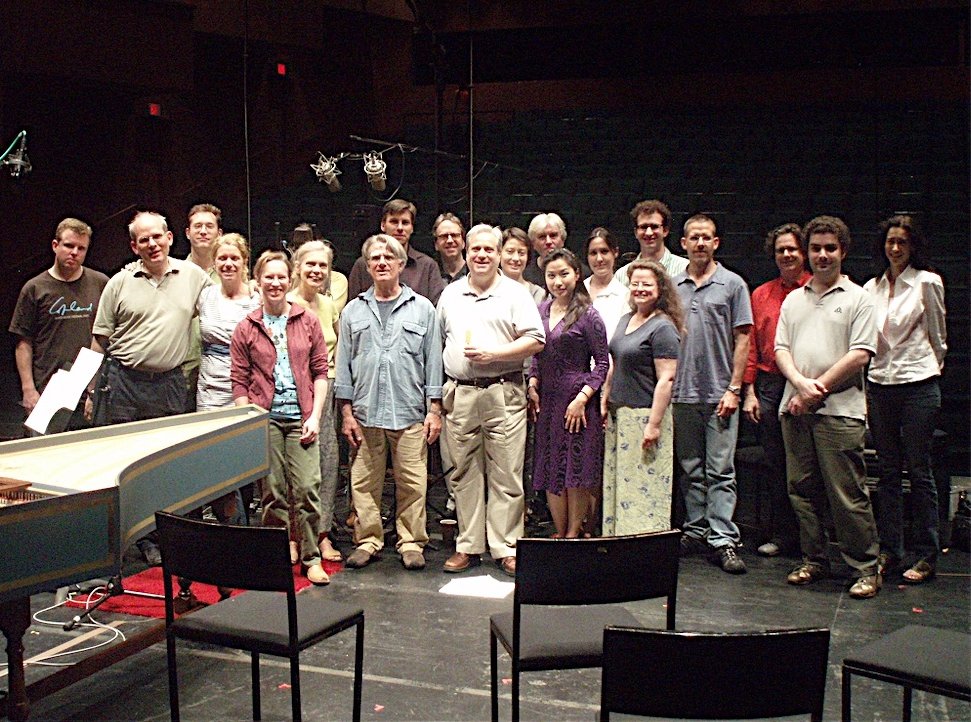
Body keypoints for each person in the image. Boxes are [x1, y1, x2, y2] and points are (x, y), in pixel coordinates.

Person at [89, 210, 212, 564]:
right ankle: (136, 539)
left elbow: (225, 306)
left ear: (170, 237)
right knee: (125, 465)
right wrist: (89, 390)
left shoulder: (193, 277)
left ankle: (163, 536)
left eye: (157, 236)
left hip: (170, 384)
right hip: (124, 383)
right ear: (134, 245)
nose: (152, 244)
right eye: (144, 239)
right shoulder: (119, 282)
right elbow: (100, 340)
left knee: (163, 466)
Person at [775, 215, 881, 599]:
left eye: (829, 248)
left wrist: (816, 389)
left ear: (843, 252)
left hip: (840, 410)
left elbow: (861, 354)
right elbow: (781, 349)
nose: (822, 255)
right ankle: (814, 559)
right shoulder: (793, 299)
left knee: (846, 493)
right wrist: (801, 386)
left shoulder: (858, 299)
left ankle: (865, 567)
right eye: (816, 248)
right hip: (796, 408)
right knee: (801, 490)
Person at [438, 224, 545, 576]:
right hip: (461, 393)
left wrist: (495, 354)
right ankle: (468, 545)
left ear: (499, 254)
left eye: (489, 249)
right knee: (463, 472)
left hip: (503, 391)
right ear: (466, 253)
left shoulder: (515, 294)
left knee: (506, 473)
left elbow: (536, 340)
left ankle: (507, 547)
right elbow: (440, 341)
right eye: (475, 249)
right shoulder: (450, 294)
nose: (481, 255)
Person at [335, 234, 443, 571]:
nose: (381, 263)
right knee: (365, 483)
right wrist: (347, 412)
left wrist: (434, 409)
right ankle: (368, 539)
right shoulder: (353, 311)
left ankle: (411, 542)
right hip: (366, 413)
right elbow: (343, 364)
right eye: (374, 259)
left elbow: (434, 361)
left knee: (413, 482)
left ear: (400, 264)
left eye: (388, 257)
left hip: (410, 411)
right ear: (367, 267)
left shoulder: (423, 309)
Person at [230, 250, 330, 585]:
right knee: (273, 492)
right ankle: (280, 550)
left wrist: (315, 416)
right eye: (268, 277)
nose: (275, 283)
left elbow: (320, 372)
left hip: (301, 416)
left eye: (281, 277)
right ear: (257, 282)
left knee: (308, 488)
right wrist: (249, 421)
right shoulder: (246, 327)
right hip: (266, 418)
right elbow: (239, 379)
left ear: (290, 280)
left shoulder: (308, 320)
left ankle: (312, 556)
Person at [865, 215, 947, 584]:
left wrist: (929, 367)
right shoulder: (873, 287)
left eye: (902, 242)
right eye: (890, 242)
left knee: (919, 470)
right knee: (886, 472)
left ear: (913, 246)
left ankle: (926, 552)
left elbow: (938, 336)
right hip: (881, 382)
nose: (895, 248)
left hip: (918, 382)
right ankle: (891, 549)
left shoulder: (927, 282)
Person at [671, 214, 752, 574]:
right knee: (690, 469)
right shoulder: (673, 287)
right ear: (684, 243)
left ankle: (723, 538)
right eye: (694, 238)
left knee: (721, 470)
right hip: (682, 393)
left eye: (706, 238)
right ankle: (696, 529)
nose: (700, 243)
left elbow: (744, 338)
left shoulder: (733, 285)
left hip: (720, 392)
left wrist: (735, 388)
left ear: (716, 243)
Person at [528, 249, 609, 538]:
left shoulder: (589, 315)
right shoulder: (541, 310)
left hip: (576, 402)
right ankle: (559, 531)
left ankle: (574, 532)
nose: (557, 281)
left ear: (577, 275)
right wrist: (532, 383)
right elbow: (536, 354)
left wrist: (583, 398)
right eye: (551, 275)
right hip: (548, 400)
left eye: (564, 274)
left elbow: (602, 363)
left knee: (575, 469)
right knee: (550, 467)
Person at [741, 224, 812, 557]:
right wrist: (750, 391)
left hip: (806, 383)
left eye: (793, 249)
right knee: (777, 464)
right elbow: (752, 347)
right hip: (770, 384)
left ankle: (815, 538)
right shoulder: (761, 294)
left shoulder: (816, 288)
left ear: (804, 252)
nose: (787, 255)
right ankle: (784, 535)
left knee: (809, 464)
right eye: (781, 250)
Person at [600, 260, 682, 535]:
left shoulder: (663, 327)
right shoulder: (626, 319)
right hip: (619, 417)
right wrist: (605, 397)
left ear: (660, 288)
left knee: (643, 493)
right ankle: (617, 544)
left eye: (647, 284)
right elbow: (616, 362)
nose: (640, 289)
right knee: (620, 489)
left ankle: (641, 552)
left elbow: (666, 379)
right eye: (635, 283)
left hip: (644, 417)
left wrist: (654, 424)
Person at [10, 217, 108, 431]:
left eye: (81, 248)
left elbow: (107, 335)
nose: (74, 252)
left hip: (89, 385)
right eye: (69, 245)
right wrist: (28, 389)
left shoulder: (101, 283)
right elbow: (23, 342)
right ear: (55, 246)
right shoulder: (35, 288)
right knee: (46, 452)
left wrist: (95, 387)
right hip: (48, 388)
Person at [195, 232, 261, 524]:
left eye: (235, 258)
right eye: (222, 258)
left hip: (247, 384)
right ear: (214, 262)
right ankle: (220, 524)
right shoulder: (205, 295)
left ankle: (242, 527)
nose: (228, 263)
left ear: (245, 262)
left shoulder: (258, 297)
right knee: (211, 457)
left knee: (242, 458)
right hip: (210, 384)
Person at [288, 240, 344, 563]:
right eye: (310, 264)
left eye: (322, 266)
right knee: (297, 467)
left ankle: (322, 534)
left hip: (328, 388)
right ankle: (295, 536)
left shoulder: (328, 304)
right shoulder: (285, 302)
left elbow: (337, 348)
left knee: (327, 461)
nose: (316, 271)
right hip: (295, 391)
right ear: (297, 268)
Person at [346, 199, 445, 306]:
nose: (400, 228)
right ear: (383, 225)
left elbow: (435, 310)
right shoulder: (363, 264)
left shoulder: (427, 266)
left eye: (405, 223)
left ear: (412, 228)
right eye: (394, 222)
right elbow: (354, 309)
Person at [182, 203, 223, 412]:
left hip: (219, 375)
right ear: (188, 233)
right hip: (183, 371)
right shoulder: (175, 274)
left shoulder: (232, 275)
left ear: (219, 233)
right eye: (198, 226)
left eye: (209, 226)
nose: (204, 231)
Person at [613, 199, 689, 286]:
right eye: (643, 227)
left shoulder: (685, 269)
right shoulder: (621, 276)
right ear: (636, 232)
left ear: (665, 230)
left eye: (654, 226)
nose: (649, 232)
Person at [583, 227, 629, 343]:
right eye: (593, 253)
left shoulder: (625, 296)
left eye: (604, 251)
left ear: (615, 252)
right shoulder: (577, 290)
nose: (599, 259)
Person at [290, 223, 348, 312]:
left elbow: (333, 312)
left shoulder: (338, 279)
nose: (316, 270)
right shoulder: (287, 283)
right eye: (310, 264)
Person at [524, 212, 589, 286]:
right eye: (542, 237)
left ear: (563, 239)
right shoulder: (525, 276)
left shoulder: (582, 273)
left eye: (553, 235)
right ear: (533, 243)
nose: (548, 241)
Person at [499, 227, 546, 303]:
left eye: (521, 253)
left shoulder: (539, 295)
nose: (516, 258)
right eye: (510, 251)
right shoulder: (487, 291)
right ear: (499, 253)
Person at [434, 212, 467, 283]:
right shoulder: (430, 275)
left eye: (454, 235)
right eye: (444, 236)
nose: (450, 240)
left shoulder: (474, 273)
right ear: (436, 244)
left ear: (463, 242)